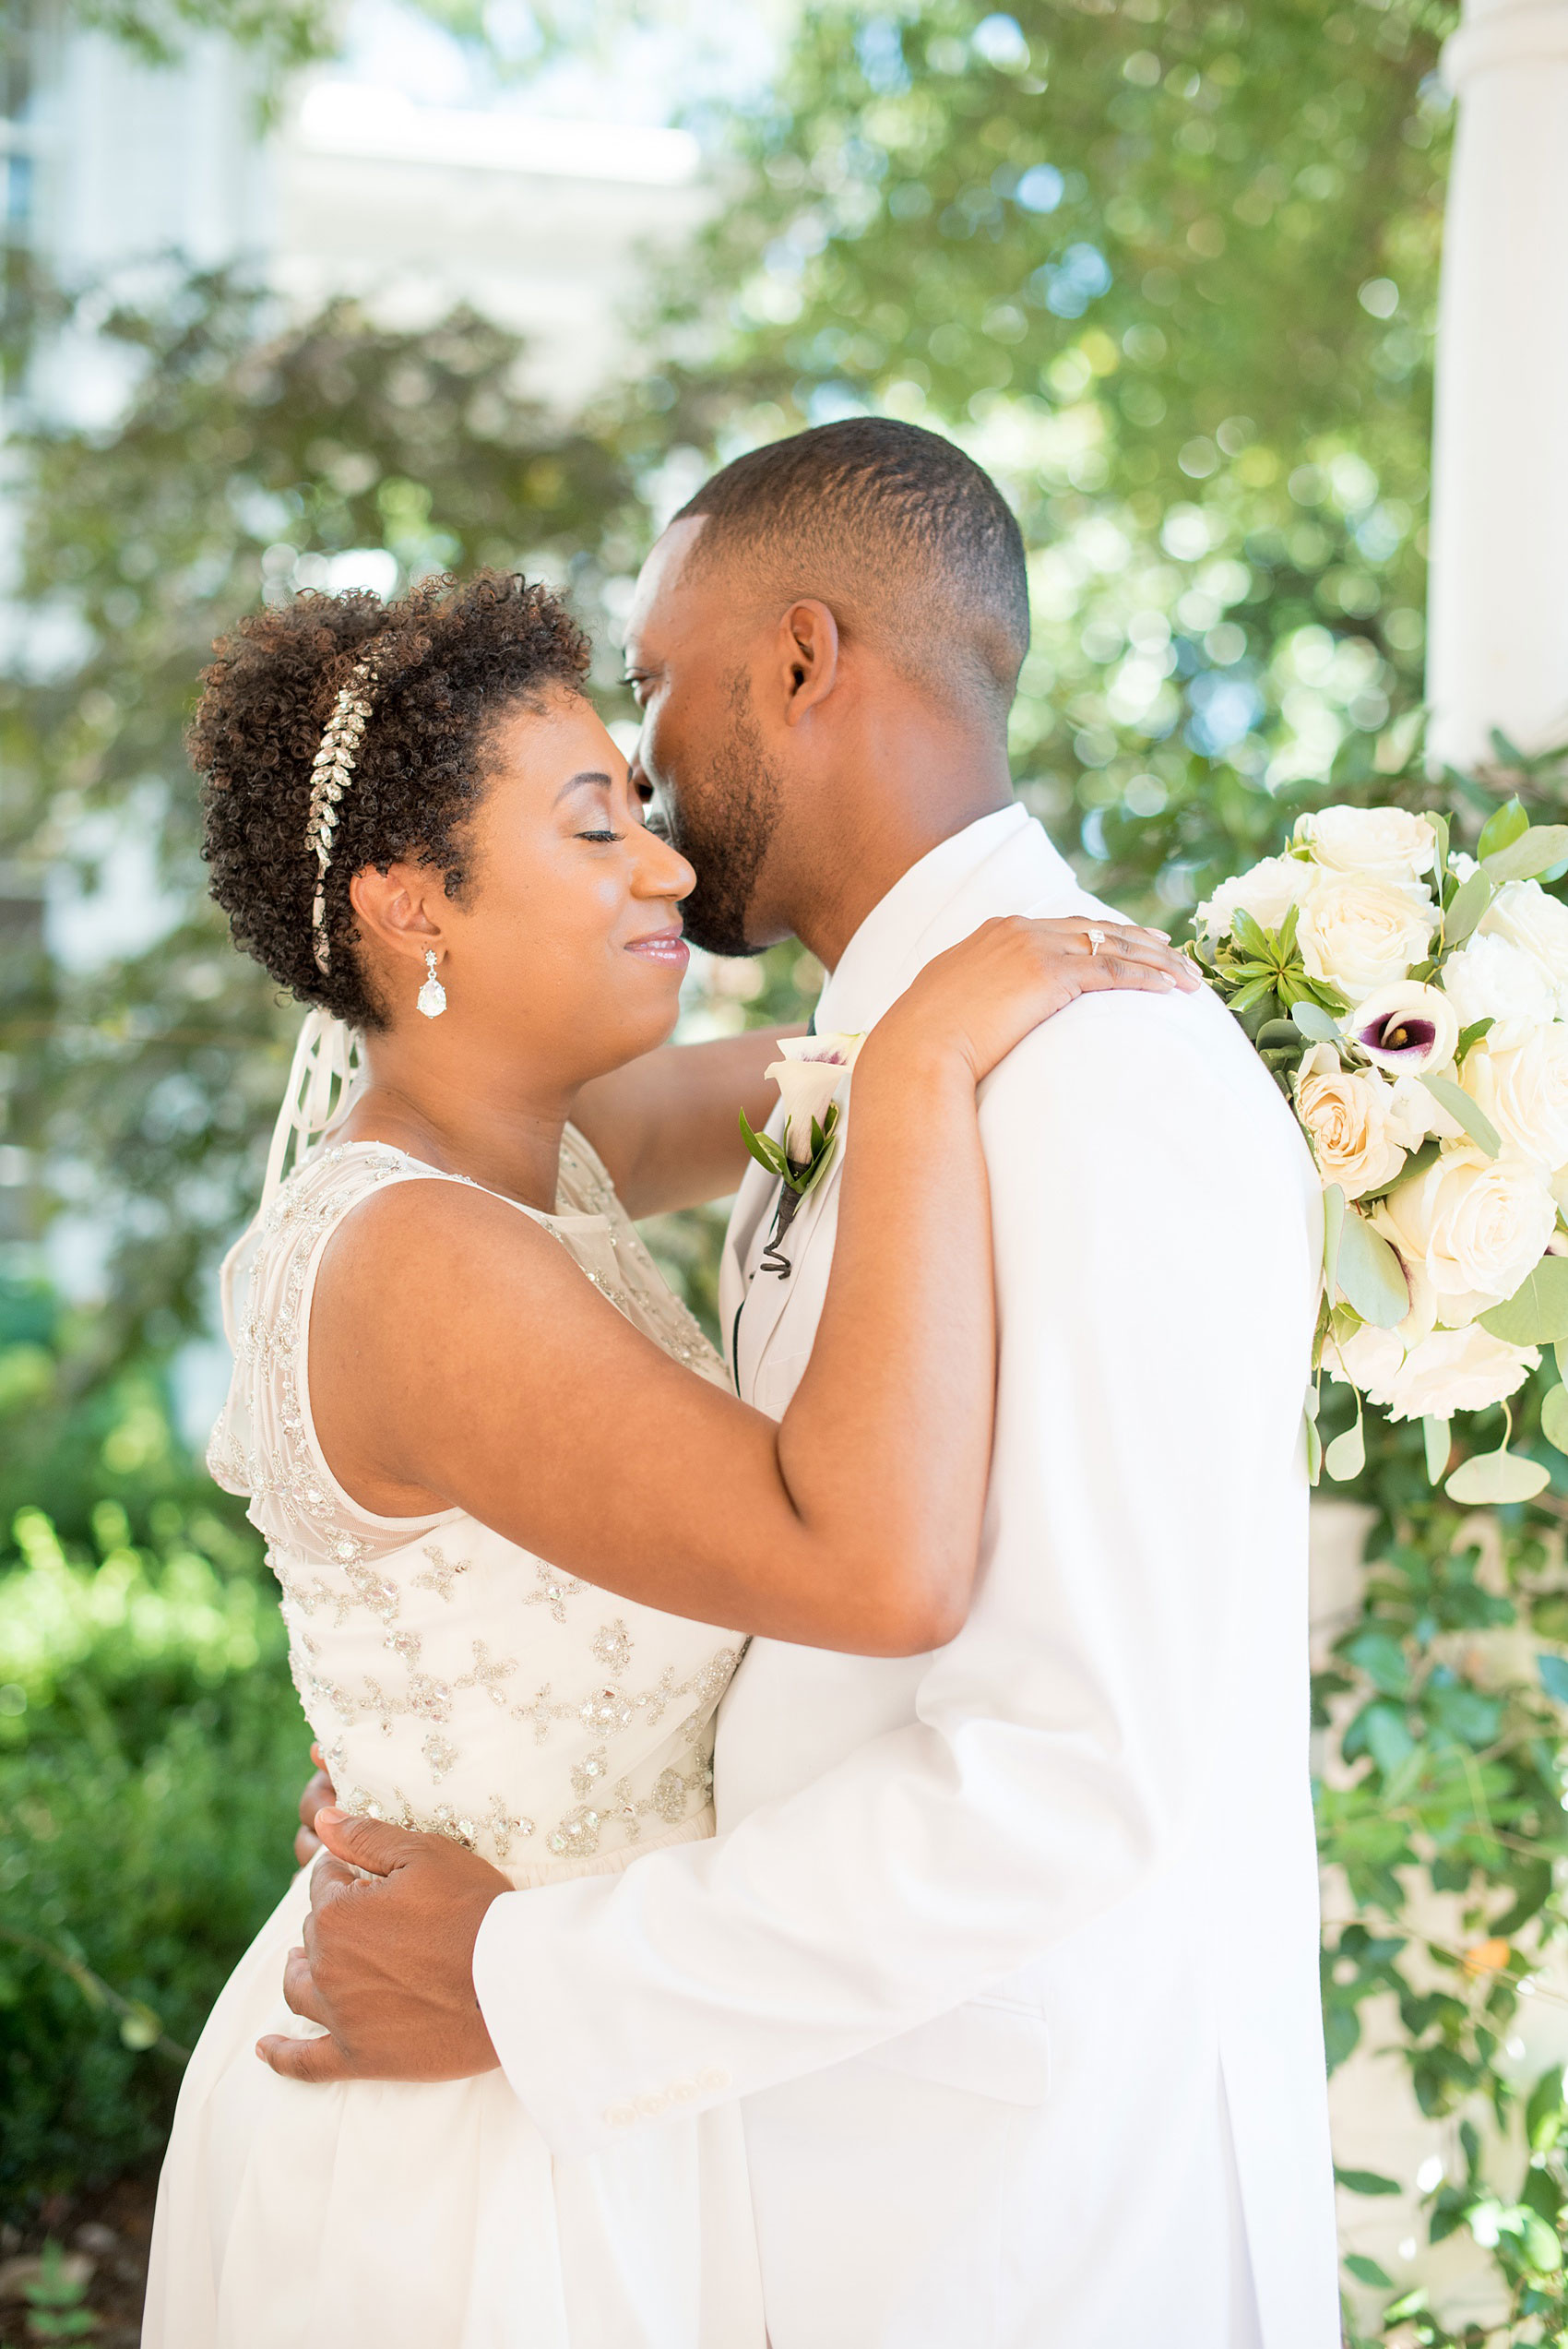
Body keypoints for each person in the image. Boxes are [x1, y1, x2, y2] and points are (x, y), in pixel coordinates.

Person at [274, 422, 1342, 2347]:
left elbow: (1073, 1767)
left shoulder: (1093, 1081)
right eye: (589, 802)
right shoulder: (890, 1061)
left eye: (660, 691)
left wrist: (536, 1968)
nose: (658, 790)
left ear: (800, 659)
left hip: (1032, 2222)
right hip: (791, 2168)